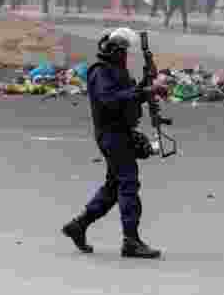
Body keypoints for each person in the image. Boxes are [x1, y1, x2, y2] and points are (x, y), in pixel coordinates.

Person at [61, 28, 167, 259]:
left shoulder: (118, 71)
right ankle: (131, 241)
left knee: (113, 187)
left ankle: (79, 225)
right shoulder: (101, 72)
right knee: (128, 183)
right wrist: (145, 91)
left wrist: (147, 87)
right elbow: (110, 100)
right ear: (114, 51)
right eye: (124, 52)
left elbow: (130, 95)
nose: (126, 56)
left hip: (121, 133)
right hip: (111, 135)